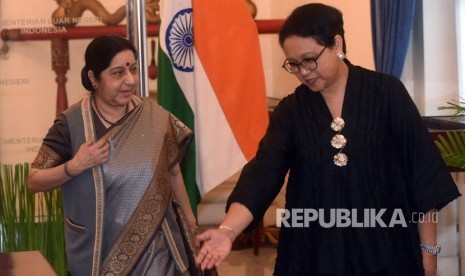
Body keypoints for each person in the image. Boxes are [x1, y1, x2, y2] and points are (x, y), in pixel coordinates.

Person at [196, 3, 461, 276]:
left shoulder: (387, 94)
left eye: (310, 59)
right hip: (313, 254)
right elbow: (262, 175)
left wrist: (428, 252)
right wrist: (227, 231)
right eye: (294, 64)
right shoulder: (292, 111)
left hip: (387, 252)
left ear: (337, 43)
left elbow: (421, 176)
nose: (304, 71)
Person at [28, 35, 200, 275]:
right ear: (94, 78)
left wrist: (191, 223)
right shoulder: (73, 124)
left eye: (133, 69)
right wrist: (75, 166)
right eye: (118, 73)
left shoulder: (155, 116)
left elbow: (172, 170)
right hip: (99, 252)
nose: (130, 80)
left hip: (159, 251)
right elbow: (34, 180)